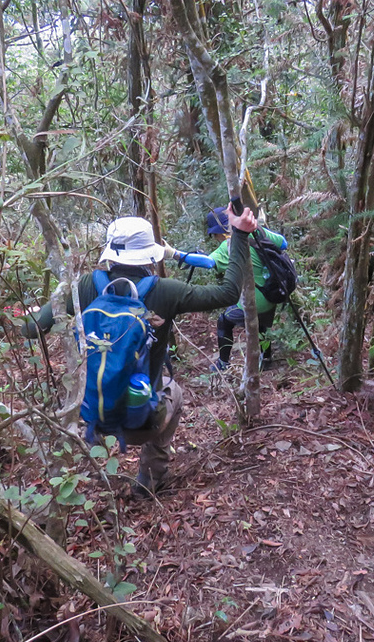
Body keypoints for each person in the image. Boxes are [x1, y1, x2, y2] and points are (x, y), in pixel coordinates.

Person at [21, 208, 258, 498]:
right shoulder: (165, 291)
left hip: (92, 415)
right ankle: (149, 479)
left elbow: (31, 330)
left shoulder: (82, 287)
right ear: (149, 255)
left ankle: (76, 482)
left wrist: (35, 312)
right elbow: (227, 293)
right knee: (176, 393)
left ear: (110, 252)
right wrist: (241, 235)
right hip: (141, 422)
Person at [205, 205, 288, 372]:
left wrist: (176, 254)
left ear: (221, 231)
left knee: (224, 320)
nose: (216, 239)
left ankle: (223, 363)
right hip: (275, 292)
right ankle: (266, 358)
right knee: (261, 324)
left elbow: (208, 262)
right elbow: (283, 243)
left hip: (255, 300)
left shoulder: (229, 245)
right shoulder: (258, 232)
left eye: (215, 235)